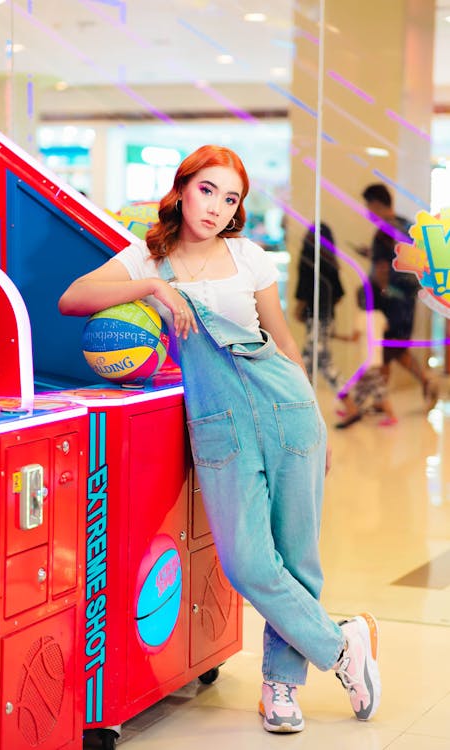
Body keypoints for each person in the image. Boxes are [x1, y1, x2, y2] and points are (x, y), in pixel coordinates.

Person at [59, 145, 381, 734]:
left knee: (296, 556)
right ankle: (342, 647)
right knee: (247, 562)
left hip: (286, 409)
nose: (215, 207)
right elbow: (72, 298)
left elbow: (283, 343)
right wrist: (156, 290)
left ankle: (280, 688)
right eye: (207, 190)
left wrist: (317, 421)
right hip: (218, 423)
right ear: (182, 189)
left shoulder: (249, 257)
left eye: (229, 197)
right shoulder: (145, 260)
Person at [361, 183, 438, 410]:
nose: (367, 211)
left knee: (389, 348)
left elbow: (383, 268)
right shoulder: (407, 226)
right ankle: (380, 400)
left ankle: (420, 383)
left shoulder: (384, 232)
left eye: (368, 206)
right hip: (407, 300)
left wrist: (380, 291)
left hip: (390, 301)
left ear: (377, 204)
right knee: (390, 350)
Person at [335, 281, 397, 429]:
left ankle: (392, 416)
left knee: (378, 391)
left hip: (368, 361)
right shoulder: (379, 315)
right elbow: (386, 327)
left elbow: (354, 338)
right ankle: (352, 410)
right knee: (361, 388)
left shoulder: (361, 317)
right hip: (376, 359)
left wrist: (336, 336)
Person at [294, 222, 345, 391]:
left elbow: (304, 289)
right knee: (308, 364)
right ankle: (302, 405)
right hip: (326, 317)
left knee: (316, 363)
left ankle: (349, 403)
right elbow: (339, 294)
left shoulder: (307, 261)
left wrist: (300, 308)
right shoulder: (331, 263)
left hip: (315, 317)